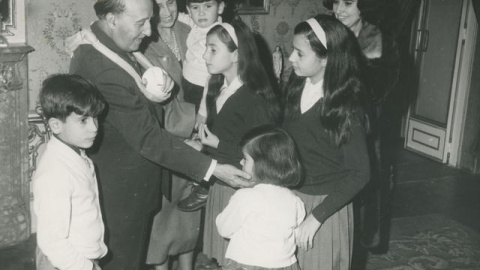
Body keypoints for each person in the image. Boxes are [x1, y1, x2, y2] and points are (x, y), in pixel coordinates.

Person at [67, 0, 252, 269]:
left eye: (149, 21)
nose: (149, 32)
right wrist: (214, 168)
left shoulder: (102, 41)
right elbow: (148, 137)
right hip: (121, 191)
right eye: (141, 23)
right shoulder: (104, 66)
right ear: (112, 18)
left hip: (125, 181)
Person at [282, 15, 370, 270]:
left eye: (300, 53)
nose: (291, 58)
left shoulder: (345, 107)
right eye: (292, 50)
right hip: (293, 197)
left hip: (325, 207)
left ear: (326, 58)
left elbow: (360, 173)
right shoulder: (297, 85)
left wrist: (316, 217)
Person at [197, 21, 280, 267]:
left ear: (236, 55)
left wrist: (218, 143)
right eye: (206, 48)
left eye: (213, 49)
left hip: (242, 192)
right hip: (220, 184)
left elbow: (262, 158)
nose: (204, 55)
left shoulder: (254, 97)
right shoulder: (216, 86)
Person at [324, 0, 400, 251]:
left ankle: (363, 242)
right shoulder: (328, 32)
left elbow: (379, 89)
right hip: (330, 119)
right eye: (336, 2)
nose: (340, 9)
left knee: (367, 181)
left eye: (348, 2)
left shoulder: (378, 40)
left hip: (366, 124)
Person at [140, 0, 200, 269]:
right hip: (168, 136)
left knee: (189, 214)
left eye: (171, 3)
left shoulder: (190, 33)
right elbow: (155, 103)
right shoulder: (142, 42)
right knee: (163, 218)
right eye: (158, 5)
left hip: (197, 136)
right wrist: (192, 121)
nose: (166, 12)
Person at [34, 74, 107, 270]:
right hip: (66, 263)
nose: (94, 128)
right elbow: (53, 242)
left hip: (79, 258)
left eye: (95, 118)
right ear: (56, 125)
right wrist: (88, 267)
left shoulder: (75, 154)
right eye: (83, 120)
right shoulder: (55, 173)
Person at [216, 126, 305, 270]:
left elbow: (224, 229)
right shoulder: (294, 200)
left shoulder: (245, 197)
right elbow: (295, 232)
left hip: (247, 264)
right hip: (285, 265)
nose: (241, 162)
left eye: (245, 159)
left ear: (261, 165)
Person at [175, 0, 227, 211]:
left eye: (208, 6)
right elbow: (175, 15)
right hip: (189, 87)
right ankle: (199, 180)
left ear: (221, 8)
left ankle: (205, 186)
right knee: (193, 137)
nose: (201, 13)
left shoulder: (221, 33)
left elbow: (213, 77)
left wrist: (204, 110)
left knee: (204, 136)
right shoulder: (195, 24)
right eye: (195, 8)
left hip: (206, 90)